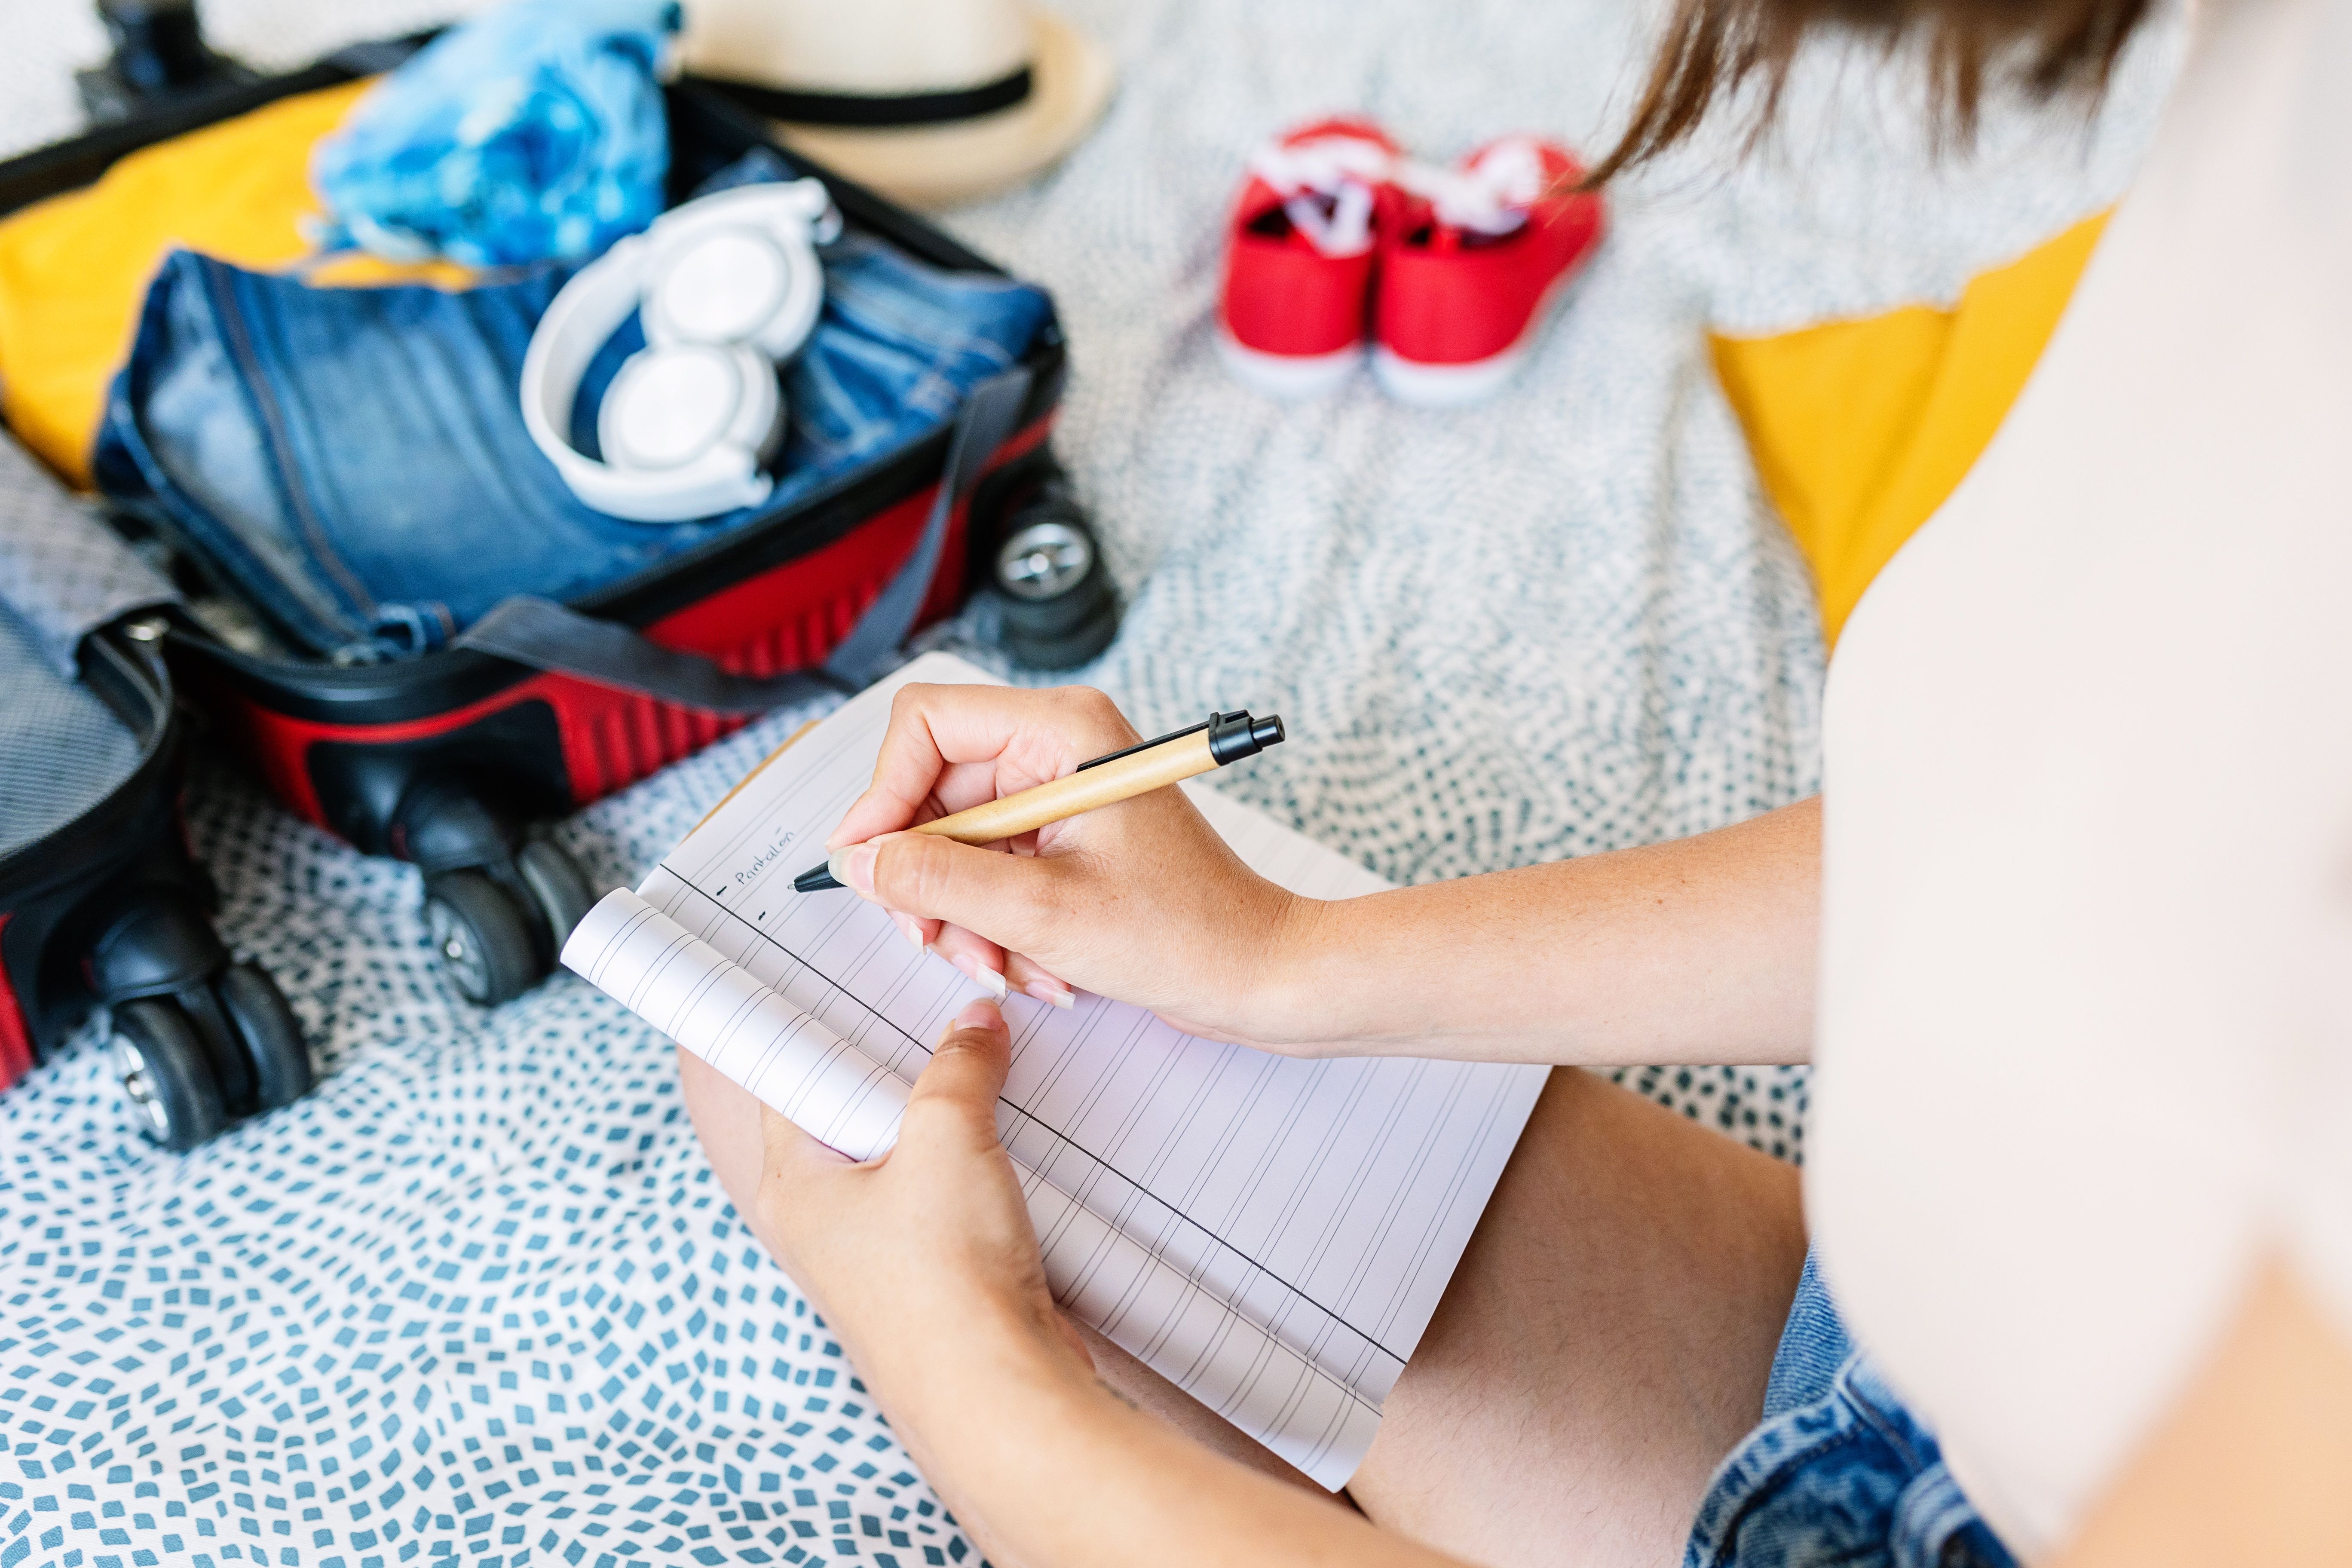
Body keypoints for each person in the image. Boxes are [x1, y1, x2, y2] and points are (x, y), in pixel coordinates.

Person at [676, 0, 2352, 1558]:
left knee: (947, 1214)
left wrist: (996, 1424)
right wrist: (1282, 959)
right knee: (828, 1086)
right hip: (1936, 1336)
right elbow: (2097, 837)